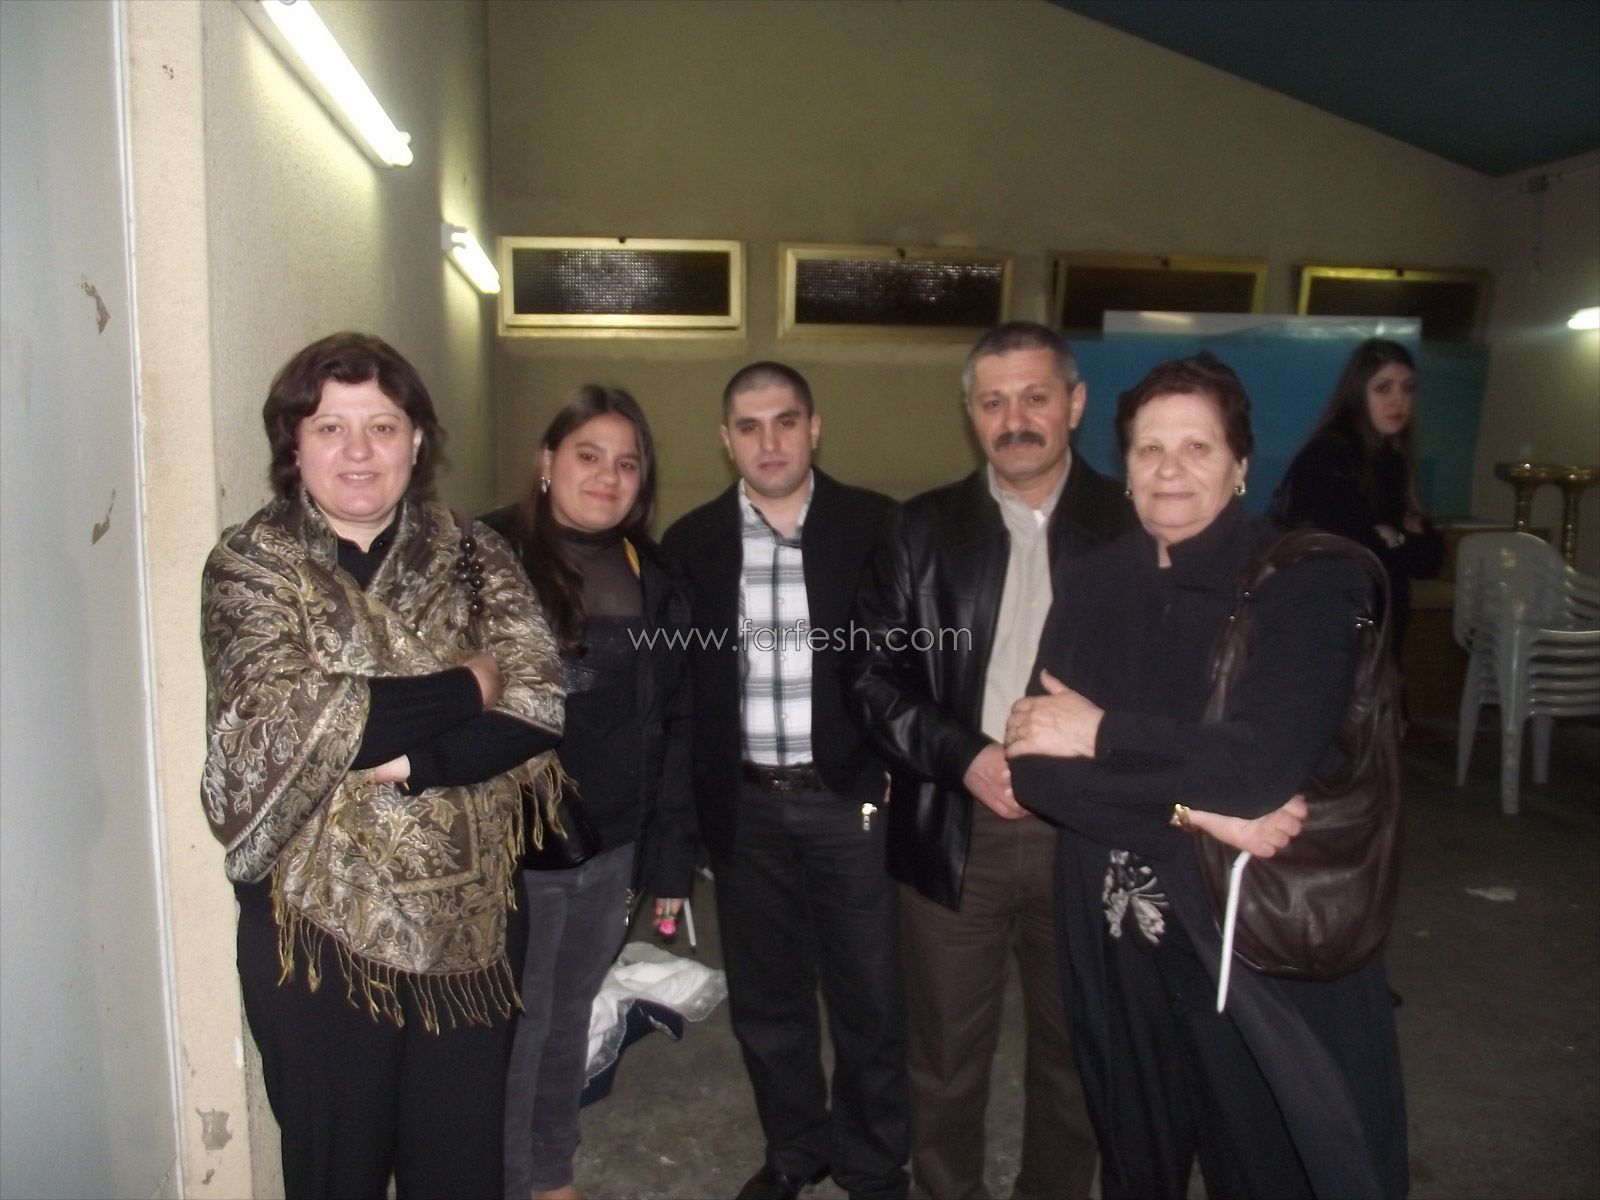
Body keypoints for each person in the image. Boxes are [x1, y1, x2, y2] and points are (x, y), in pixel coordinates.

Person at [1005, 351, 1407, 1199]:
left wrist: (1099, 731)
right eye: (1149, 449)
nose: (1170, 469)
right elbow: (1038, 773)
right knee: (1135, 1162)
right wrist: (1197, 812)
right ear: (1125, 469)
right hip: (1114, 932)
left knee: (1262, 1164)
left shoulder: (1304, 581)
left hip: (1246, 936)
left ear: (1240, 465)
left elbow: (1259, 765)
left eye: (1197, 447)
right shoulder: (1093, 580)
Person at [200, 332, 565, 1199]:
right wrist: (470, 684)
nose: (359, 451)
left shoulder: (476, 554)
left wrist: (412, 760)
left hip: (470, 925)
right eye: (331, 428)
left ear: (417, 441)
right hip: (312, 931)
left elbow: (540, 702)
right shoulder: (252, 566)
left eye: (383, 426)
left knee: (459, 1168)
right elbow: (283, 719)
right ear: (294, 445)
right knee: (338, 1170)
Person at [847, 321, 1128, 1200]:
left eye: (1035, 397)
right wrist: (965, 757)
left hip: (1087, 836)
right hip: (956, 827)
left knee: (1078, 1056)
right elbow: (870, 676)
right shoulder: (919, 529)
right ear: (970, 413)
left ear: (1075, 404)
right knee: (944, 1059)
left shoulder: (1129, 525)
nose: (1015, 420)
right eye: (993, 401)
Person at [661, 362, 907, 1200]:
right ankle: (797, 1149)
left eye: (786, 421)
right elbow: (681, 694)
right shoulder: (692, 543)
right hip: (748, 810)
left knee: (871, 999)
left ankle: (873, 1163)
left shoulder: (877, 526)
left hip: (852, 803)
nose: (769, 442)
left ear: (815, 428)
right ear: (725, 439)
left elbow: (916, 663)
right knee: (768, 1002)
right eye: (749, 426)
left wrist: (898, 769)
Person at [482, 386, 697, 1200]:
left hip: (612, 844)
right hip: (514, 849)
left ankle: (551, 1170)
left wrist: (668, 855)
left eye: (626, 463)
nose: (608, 477)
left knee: (570, 1015)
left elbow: (674, 719)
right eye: (588, 455)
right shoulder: (484, 556)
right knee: (516, 1027)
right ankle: (506, 1179)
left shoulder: (655, 574)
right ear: (546, 462)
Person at [1271, 337, 1444, 659]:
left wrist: (1396, 538)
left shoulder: (1392, 459)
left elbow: (1431, 558)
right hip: (1330, 628)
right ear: (1358, 392)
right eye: (1383, 388)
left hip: (1374, 628)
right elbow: (1356, 549)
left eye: (1407, 389)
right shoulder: (1329, 456)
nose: (1398, 400)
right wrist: (1397, 539)